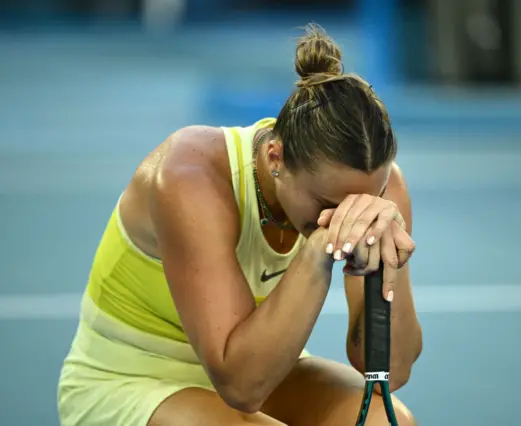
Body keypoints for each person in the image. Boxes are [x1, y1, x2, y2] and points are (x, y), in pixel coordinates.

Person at [57, 23, 423, 426]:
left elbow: (392, 369)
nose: (343, 218)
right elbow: (242, 388)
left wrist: (386, 265)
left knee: (388, 422)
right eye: (326, 205)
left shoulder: (384, 193)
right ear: (275, 158)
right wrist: (320, 251)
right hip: (133, 379)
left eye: (363, 202)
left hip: (265, 368)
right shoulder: (191, 173)